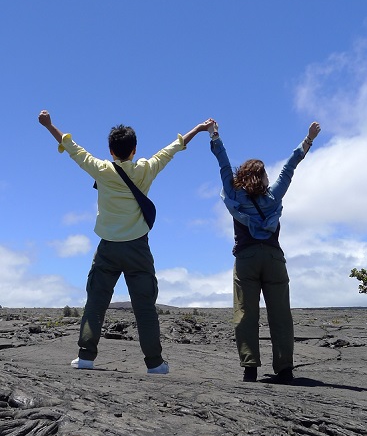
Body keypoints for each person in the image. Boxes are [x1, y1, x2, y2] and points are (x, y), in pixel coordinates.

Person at [38, 110, 213, 373]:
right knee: (144, 308)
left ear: (110, 150)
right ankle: (154, 364)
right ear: (134, 150)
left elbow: (73, 148)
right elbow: (171, 149)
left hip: (107, 248)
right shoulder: (145, 169)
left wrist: (49, 125)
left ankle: (85, 357)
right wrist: (198, 129)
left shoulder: (101, 169)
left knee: (96, 303)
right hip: (137, 249)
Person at [208, 120, 321, 383]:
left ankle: (250, 368)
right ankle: (284, 369)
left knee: (245, 312)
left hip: (246, 258)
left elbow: (223, 164)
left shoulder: (234, 195)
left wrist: (215, 135)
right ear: (262, 177)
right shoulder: (273, 197)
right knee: (280, 313)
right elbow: (290, 168)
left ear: (243, 176)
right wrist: (308, 140)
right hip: (273, 257)